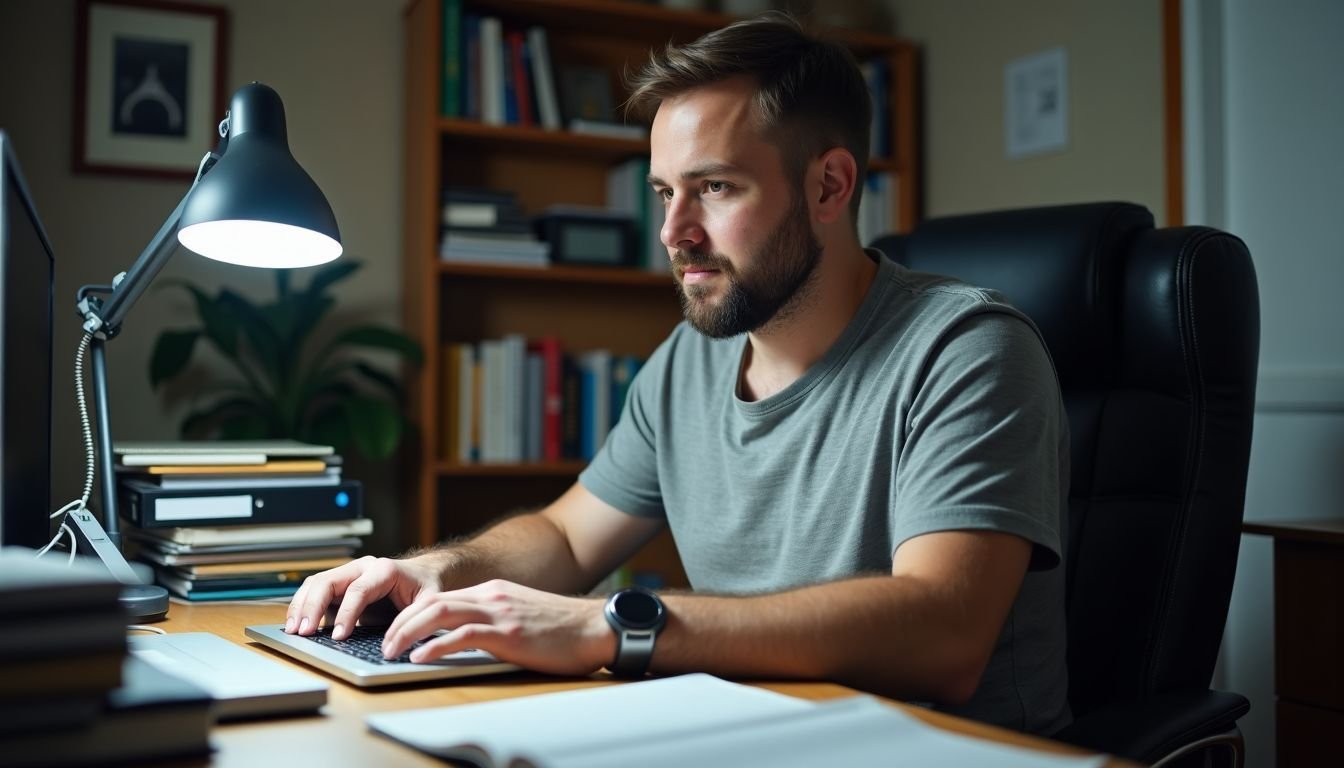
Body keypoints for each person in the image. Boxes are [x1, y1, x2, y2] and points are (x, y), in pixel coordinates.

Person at [287, 12, 1071, 735]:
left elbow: (945, 631)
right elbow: (565, 535)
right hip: (752, 736)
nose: (672, 231)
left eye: (716, 187)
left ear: (829, 185)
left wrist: (613, 626)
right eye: (664, 191)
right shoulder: (690, 359)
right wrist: (434, 572)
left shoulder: (967, 350)